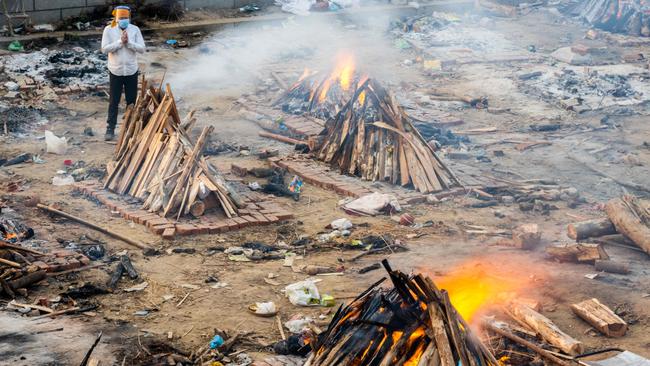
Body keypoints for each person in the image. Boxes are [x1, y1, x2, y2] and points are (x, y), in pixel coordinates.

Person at [100, 5, 145, 141]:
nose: (124, 20)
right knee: (114, 100)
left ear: (129, 18)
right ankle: (110, 128)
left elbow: (142, 48)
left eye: (126, 18)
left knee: (131, 101)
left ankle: (129, 129)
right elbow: (104, 49)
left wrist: (129, 43)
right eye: (121, 18)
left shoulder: (135, 30)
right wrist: (120, 42)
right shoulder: (109, 30)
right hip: (116, 71)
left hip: (131, 71)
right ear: (116, 18)